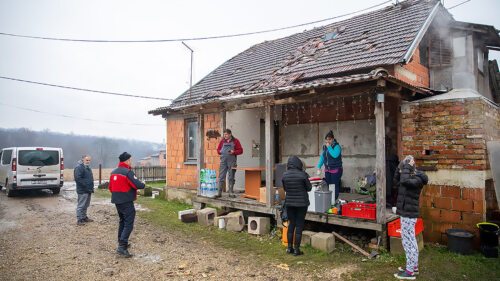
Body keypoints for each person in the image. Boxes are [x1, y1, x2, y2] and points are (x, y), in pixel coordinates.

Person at [392, 155, 428, 280]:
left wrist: (407, 166)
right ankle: (414, 267)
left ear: (411, 167)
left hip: (409, 214)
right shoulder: (408, 177)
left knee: (409, 242)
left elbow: (405, 181)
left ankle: (410, 272)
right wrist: (398, 168)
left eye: (406, 167)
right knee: (407, 241)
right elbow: (396, 183)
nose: (403, 170)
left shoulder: (417, 179)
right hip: (405, 213)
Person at [109, 152, 145, 258]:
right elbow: (137, 184)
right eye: (131, 159)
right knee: (128, 223)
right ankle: (122, 247)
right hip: (126, 201)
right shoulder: (127, 172)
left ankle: (121, 241)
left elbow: (110, 187)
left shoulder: (113, 172)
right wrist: (143, 184)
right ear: (128, 160)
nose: (131, 161)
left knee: (122, 221)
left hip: (117, 201)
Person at [282, 156, 312, 256]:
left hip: (290, 203)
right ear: (299, 164)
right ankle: (296, 250)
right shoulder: (303, 175)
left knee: (291, 225)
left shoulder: (284, 175)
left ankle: (289, 248)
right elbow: (309, 188)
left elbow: (285, 189)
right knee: (299, 226)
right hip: (302, 204)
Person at [316, 130, 343, 201]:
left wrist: (329, 147)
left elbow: (335, 155)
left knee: (334, 185)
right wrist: (319, 166)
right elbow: (322, 157)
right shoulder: (325, 147)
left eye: (330, 139)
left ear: (333, 139)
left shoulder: (337, 146)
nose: (328, 141)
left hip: (336, 169)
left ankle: (334, 199)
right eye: (327, 139)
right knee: (328, 185)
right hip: (328, 170)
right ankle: (329, 200)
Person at [216, 129, 243, 197]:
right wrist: (220, 152)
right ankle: (219, 193)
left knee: (231, 177)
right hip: (223, 161)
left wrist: (234, 152)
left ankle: (230, 192)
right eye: (224, 134)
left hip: (232, 161)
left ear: (230, 134)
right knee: (221, 176)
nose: (225, 136)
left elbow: (241, 150)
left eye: (226, 134)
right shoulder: (222, 141)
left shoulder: (236, 141)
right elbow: (218, 150)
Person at [74, 155, 94, 226]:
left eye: (89, 160)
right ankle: (79, 219)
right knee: (81, 205)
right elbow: (78, 179)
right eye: (87, 160)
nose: (88, 161)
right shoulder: (79, 168)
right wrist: (86, 185)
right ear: (83, 160)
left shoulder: (88, 168)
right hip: (82, 190)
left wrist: (90, 187)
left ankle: (84, 217)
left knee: (86, 205)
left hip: (88, 190)